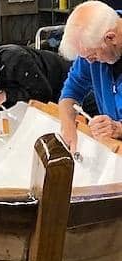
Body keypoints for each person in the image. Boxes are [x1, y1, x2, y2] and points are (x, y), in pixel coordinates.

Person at [58, 1, 122, 154]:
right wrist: (68, 127)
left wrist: (119, 129)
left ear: (111, 38)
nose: (89, 62)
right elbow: (71, 91)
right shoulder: (93, 43)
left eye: (92, 56)